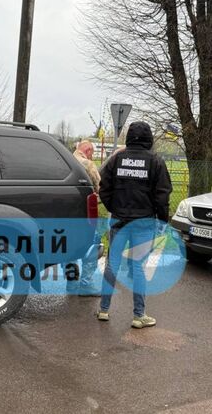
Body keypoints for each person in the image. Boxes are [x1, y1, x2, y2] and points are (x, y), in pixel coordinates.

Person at [96, 121, 172, 328]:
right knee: (138, 266)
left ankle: (103, 309)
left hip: (119, 220)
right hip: (144, 222)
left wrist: (114, 207)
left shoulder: (117, 159)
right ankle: (139, 315)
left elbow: (104, 187)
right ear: (149, 138)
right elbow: (162, 195)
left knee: (112, 264)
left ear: (129, 137)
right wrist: (162, 220)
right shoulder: (156, 161)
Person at [71, 140, 103, 296]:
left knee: (70, 246)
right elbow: (99, 186)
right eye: (93, 153)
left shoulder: (66, 160)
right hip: (84, 214)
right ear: (88, 150)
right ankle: (86, 284)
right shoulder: (88, 164)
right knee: (93, 245)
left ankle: (71, 281)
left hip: (66, 214)